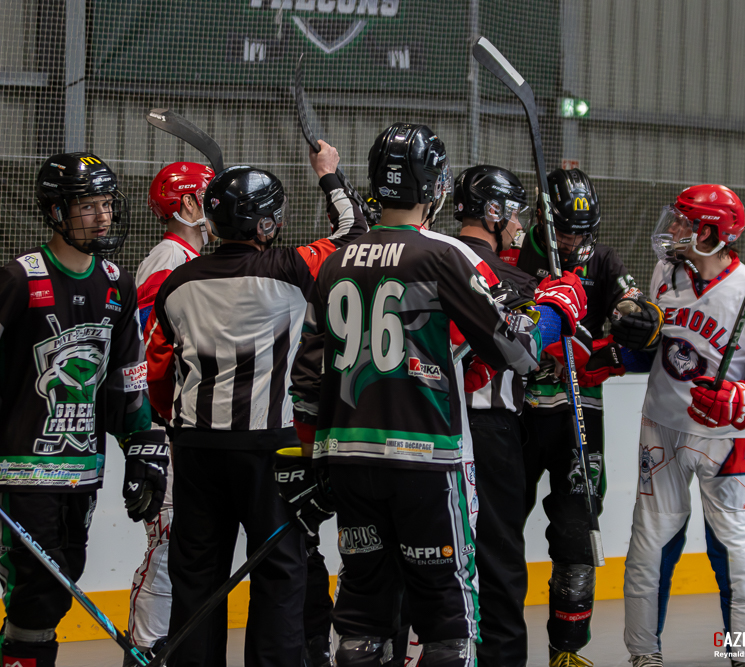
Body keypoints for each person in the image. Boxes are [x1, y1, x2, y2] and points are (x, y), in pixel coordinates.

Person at [288, 122, 588, 667]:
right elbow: (516, 353)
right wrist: (555, 309)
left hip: (348, 459)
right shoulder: (442, 256)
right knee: (449, 621)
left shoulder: (335, 262)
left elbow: (306, 380)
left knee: (361, 619)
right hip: (425, 460)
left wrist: (317, 462)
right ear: (435, 186)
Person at [0, 153, 164, 667]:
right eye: (86, 206)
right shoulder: (18, 279)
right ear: (54, 212)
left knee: (56, 594)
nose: (102, 216)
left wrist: (143, 444)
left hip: (81, 472)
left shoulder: (117, 283)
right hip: (21, 472)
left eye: (106, 204)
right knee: (34, 602)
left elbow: (125, 379)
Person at [146, 140, 367, 667]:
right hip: (271, 449)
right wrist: (329, 175)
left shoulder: (177, 281)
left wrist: (173, 423)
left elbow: (159, 370)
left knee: (196, 575)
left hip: (196, 448)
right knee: (279, 571)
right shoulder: (292, 268)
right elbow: (353, 234)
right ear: (265, 225)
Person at [613, 184, 745, 667]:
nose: (673, 228)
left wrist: (743, 396)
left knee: (741, 553)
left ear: (709, 232)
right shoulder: (665, 272)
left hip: (725, 441)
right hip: (660, 428)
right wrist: (633, 339)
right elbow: (659, 344)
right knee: (648, 544)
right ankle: (644, 654)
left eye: (684, 222)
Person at [508, 167, 630, 667]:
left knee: (578, 534)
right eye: (564, 230)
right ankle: (496, 646)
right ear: (541, 217)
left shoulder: (602, 259)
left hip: (579, 417)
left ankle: (568, 651)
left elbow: (631, 320)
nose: (574, 239)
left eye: (582, 231)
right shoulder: (511, 254)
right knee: (497, 530)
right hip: (514, 416)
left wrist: (632, 327)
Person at [126, 161, 214, 663]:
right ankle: (145, 648)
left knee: (181, 540)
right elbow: (145, 348)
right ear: (187, 205)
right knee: (167, 539)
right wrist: (154, 427)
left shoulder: (185, 257)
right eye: (209, 197)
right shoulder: (169, 258)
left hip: (182, 424)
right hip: (164, 427)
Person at [452, 164, 538, 667]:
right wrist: (554, 300)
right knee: (499, 558)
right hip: (489, 432)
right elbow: (534, 350)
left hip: (430, 428)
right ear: (494, 212)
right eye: (512, 212)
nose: (517, 223)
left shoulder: (434, 256)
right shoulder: (512, 278)